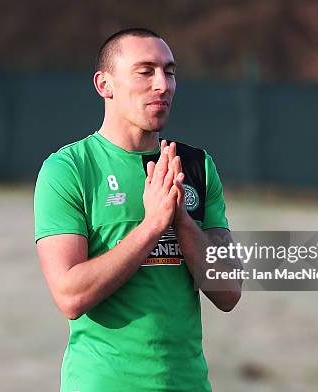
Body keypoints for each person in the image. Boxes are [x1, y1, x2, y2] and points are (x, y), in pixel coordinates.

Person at [34, 27, 242, 392]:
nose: (163, 85)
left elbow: (228, 291)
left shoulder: (194, 166)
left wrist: (180, 222)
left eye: (170, 71)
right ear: (105, 85)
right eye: (145, 71)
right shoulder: (70, 168)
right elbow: (70, 296)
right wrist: (151, 226)